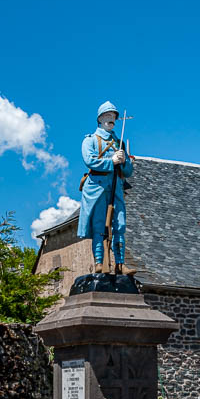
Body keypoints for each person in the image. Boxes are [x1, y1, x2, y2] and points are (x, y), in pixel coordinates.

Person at [77, 101, 135, 275]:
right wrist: (112, 161)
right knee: (99, 224)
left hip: (116, 186)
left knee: (120, 224)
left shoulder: (119, 143)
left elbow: (129, 171)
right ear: (100, 119)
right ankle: (98, 263)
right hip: (97, 186)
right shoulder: (90, 140)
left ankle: (119, 263)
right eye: (108, 116)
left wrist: (123, 161)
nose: (112, 119)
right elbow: (90, 160)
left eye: (114, 117)